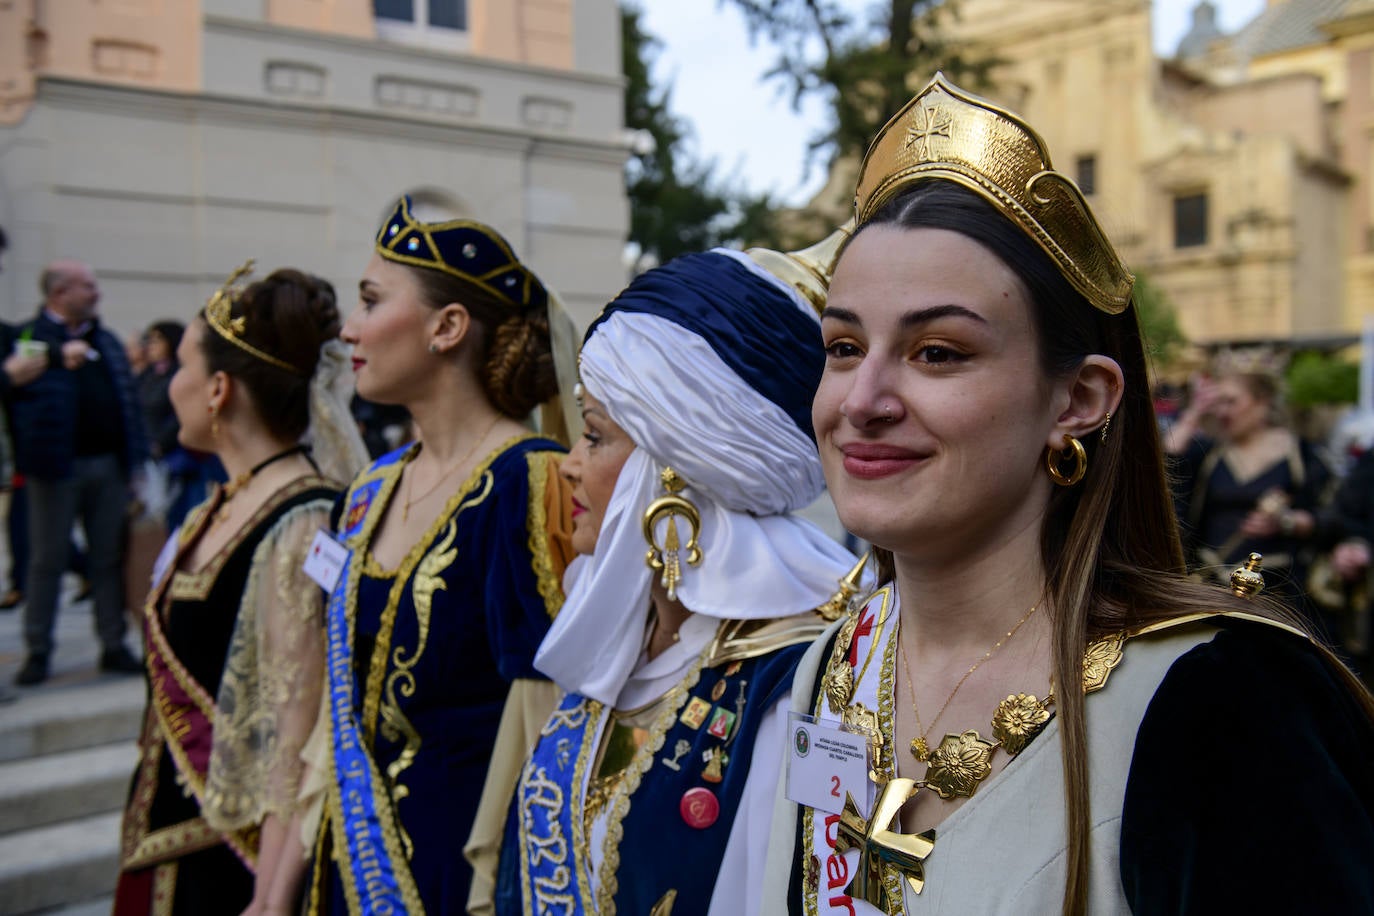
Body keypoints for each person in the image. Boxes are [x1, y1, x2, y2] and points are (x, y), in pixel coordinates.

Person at [761, 74, 1374, 914]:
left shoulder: (1222, 702)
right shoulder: (829, 667)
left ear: (1078, 401)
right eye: (841, 346)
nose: (862, 401)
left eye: (938, 352)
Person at [490, 237, 863, 916]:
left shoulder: (799, 682)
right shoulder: (623, 642)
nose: (567, 466)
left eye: (595, 436)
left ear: (674, 473)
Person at [289, 197, 576, 915]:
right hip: (342, 863)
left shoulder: (526, 479)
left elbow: (547, 717)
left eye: (369, 301)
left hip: (462, 874)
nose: (349, 330)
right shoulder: (370, 487)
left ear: (447, 327)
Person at [113, 264, 367, 915]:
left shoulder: (303, 521)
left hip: (232, 864)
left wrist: (271, 897)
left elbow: (299, 731)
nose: (170, 386)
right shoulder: (217, 506)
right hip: (169, 836)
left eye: (180, 368)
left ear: (218, 390)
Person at [7, 260, 149, 685]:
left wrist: (135, 464)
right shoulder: (28, 340)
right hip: (53, 470)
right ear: (59, 294)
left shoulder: (103, 341)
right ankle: (38, 650)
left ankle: (113, 643)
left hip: (107, 467)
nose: (96, 292)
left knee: (106, 559)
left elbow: (129, 405)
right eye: (86, 286)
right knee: (46, 559)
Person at [1165, 369, 1334, 629]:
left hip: (1278, 592)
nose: (1223, 412)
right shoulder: (1210, 455)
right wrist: (1195, 412)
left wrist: (1286, 521)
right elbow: (1167, 462)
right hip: (1213, 589)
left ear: (1263, 401)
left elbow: (1333, 519)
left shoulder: (1302, 456)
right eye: (1218, 403)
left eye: (1231, 401)